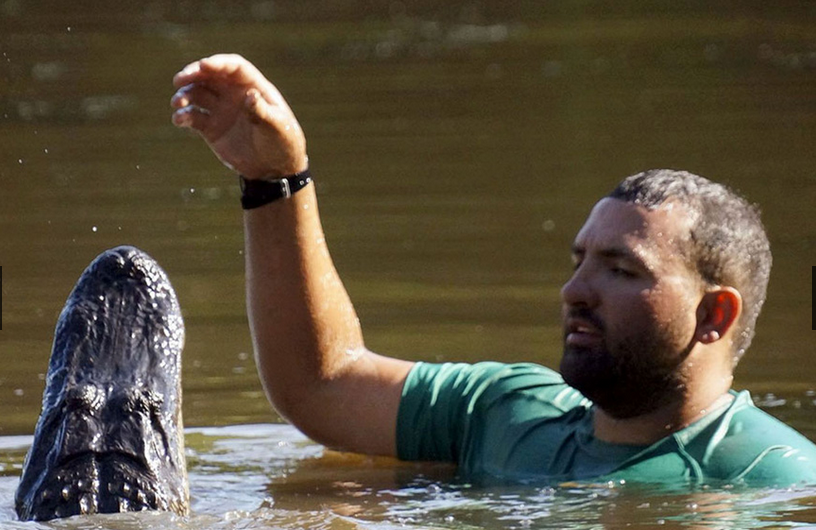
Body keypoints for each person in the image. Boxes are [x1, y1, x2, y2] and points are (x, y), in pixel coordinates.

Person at [170, 54, 816, 487]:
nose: (574, 291)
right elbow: (322, 383)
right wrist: (275, 178)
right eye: (578, 261)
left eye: (621, 271)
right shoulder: (503, 413)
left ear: (715, 315)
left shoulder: (774, 477)